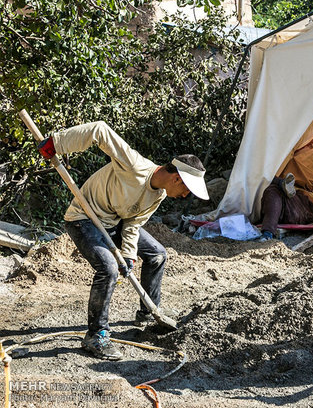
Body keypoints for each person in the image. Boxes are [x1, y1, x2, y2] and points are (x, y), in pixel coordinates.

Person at [37, 121, 209, 361]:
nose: (185, 196)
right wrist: (57, 143)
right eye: (188, 190)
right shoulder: (135, 165)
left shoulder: (158, 194)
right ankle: (96, 335)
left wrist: (128, 254)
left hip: (115, 222)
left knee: (157, 254)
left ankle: (148, 310)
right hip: (84, 218)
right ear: (178, 179)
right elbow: (100, 130)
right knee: (108, 269)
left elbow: (133, 223)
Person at [258, 173, 313, 241]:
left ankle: (282, 184)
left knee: (276, 185)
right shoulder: (310, 186)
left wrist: (309, 198)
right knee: (272, 190)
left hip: (303, 208)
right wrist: (301, 183)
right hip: (286, 204)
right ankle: (267, 234)